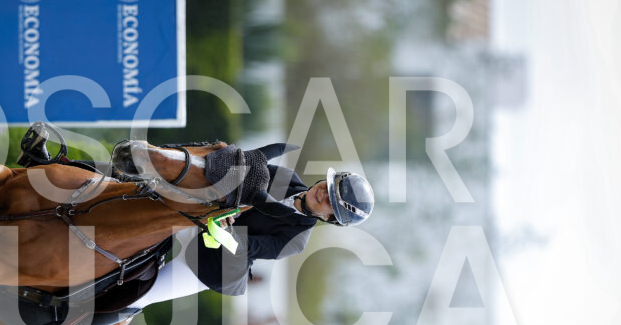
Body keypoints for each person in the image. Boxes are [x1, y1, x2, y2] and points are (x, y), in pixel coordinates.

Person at [19, 124, 375, 310]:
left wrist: (222, 225)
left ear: (331, 219)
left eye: (331, 202)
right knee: (140, 182)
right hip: (199, 212)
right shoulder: (286, 177)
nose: (323, 193)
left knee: (138, 298)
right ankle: (57, 166)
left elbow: (242, 248)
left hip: (211, 259)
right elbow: (237, 174)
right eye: (329, 187)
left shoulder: (295, 240)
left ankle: (65, 322)